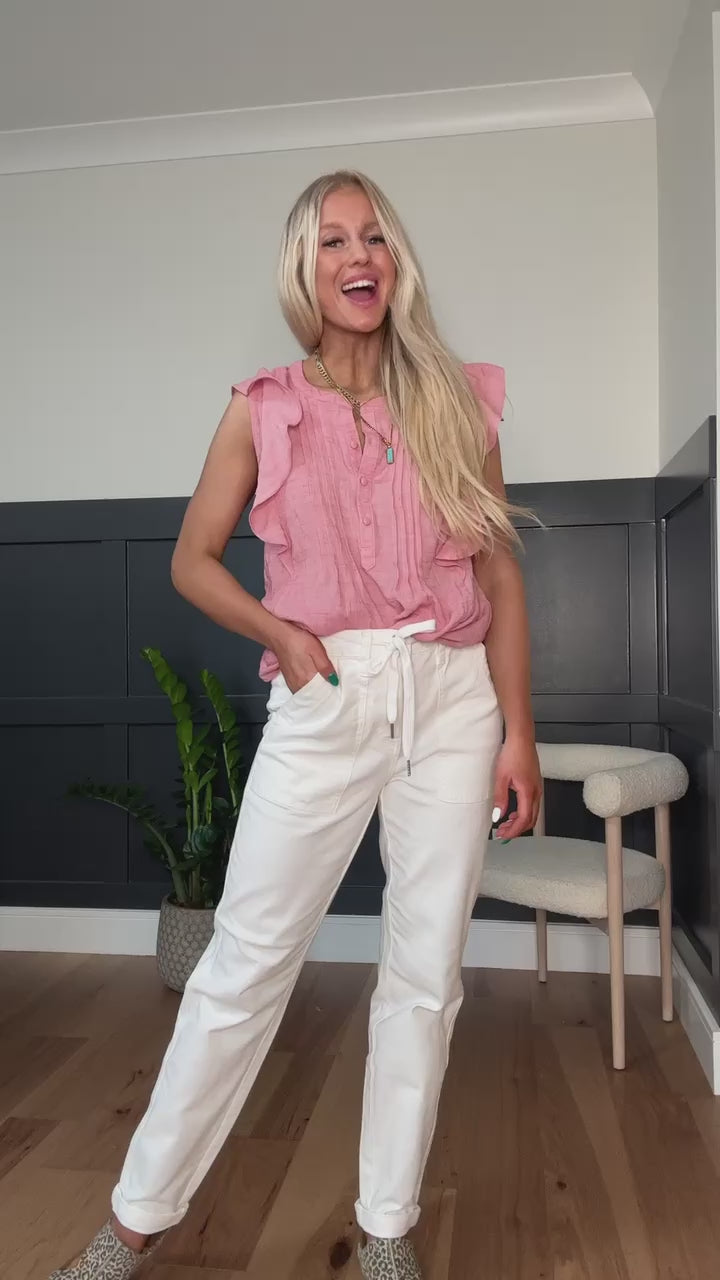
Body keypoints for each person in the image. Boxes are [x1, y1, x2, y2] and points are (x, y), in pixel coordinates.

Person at [49, 170, 541, 1280]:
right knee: (242, 965)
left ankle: (387, 1230)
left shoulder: (455, 400)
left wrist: (519, 731)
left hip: (454, 697)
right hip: (327, 696)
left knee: (426, 974)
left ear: (396, 260)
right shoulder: (263, 406)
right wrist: (283, 631)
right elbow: (192, 559)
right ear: (304, 270)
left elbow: (501, 573)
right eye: (332, 241)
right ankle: (132, 1223)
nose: (358, 256)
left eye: (374, 236)